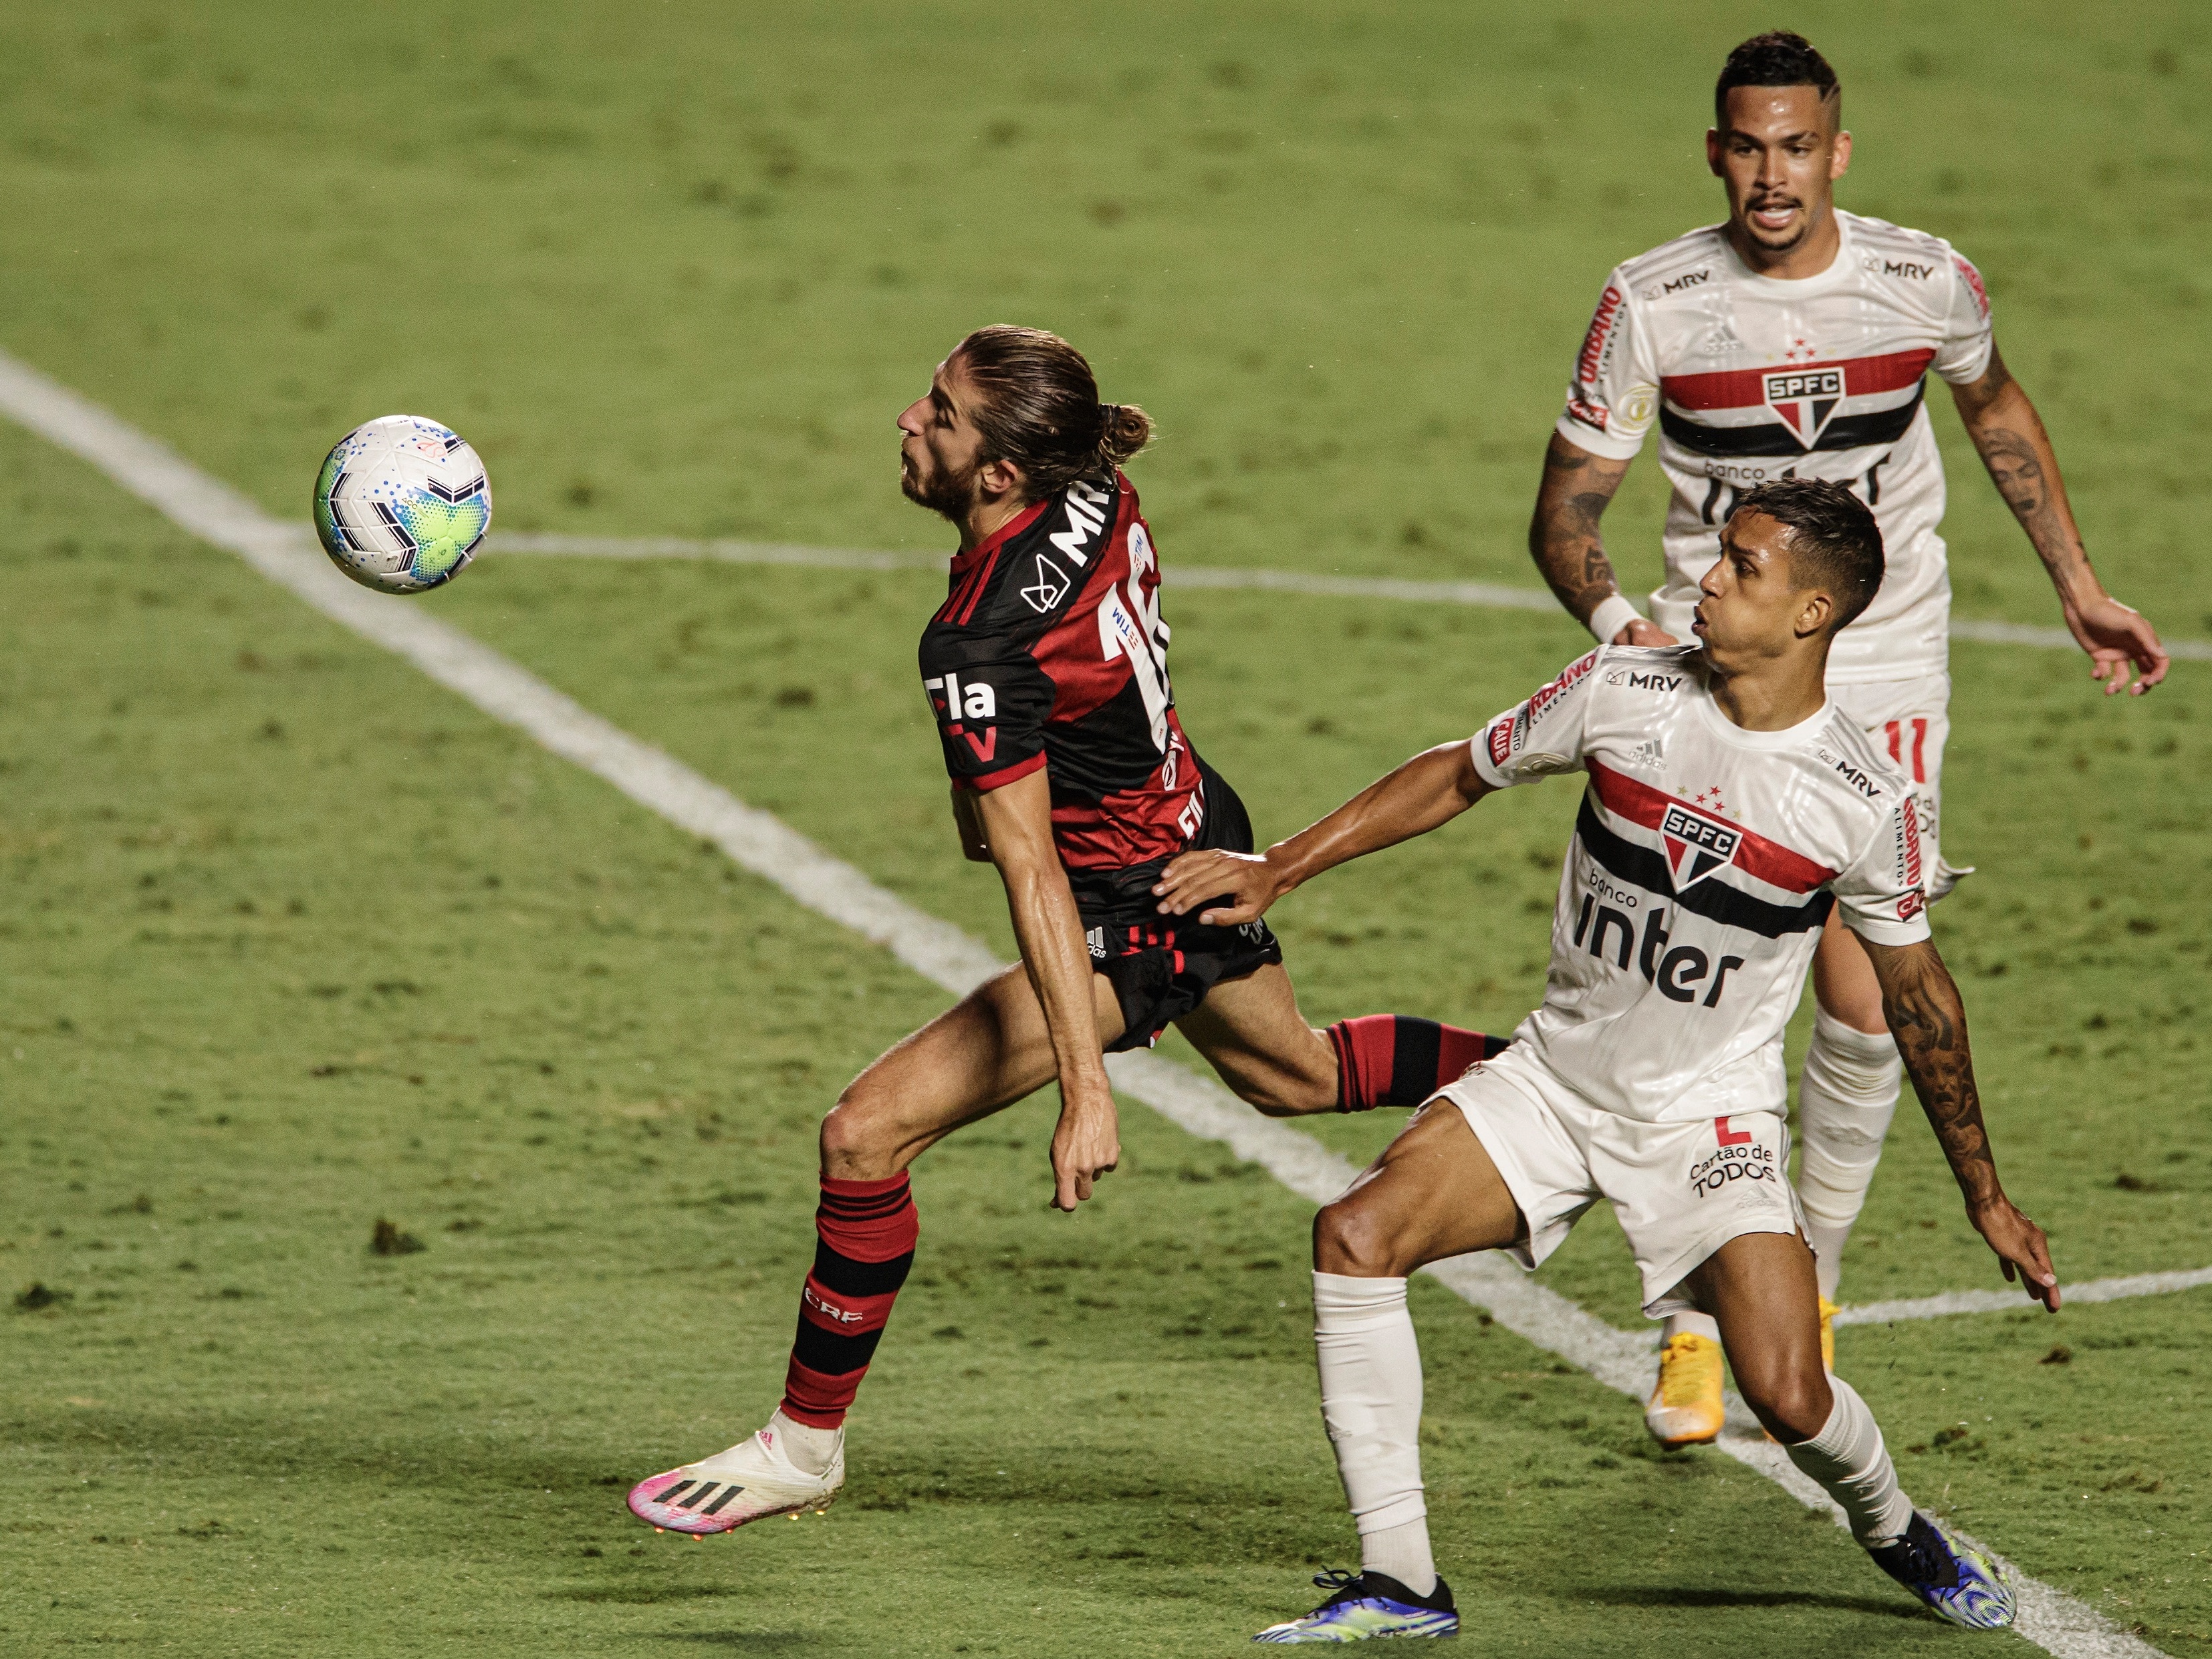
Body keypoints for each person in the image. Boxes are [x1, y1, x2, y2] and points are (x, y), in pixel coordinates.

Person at [624, 326, 1503, 1535]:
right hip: (1201, 829)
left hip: (1133, 904)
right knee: (1292, 1073)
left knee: (865, 1134)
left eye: (936, 411)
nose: (905, 419)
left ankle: (800, 1447)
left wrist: (1085, 1087)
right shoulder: (1097, 480)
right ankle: (1557, 1070)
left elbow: (1028, 867)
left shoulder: (983, 636)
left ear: (997, 474)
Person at [1155, 479, 2059, 1640]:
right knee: (1355, 1235)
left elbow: (1919, 999)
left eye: (1742, 566)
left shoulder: (1861, 800)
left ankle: (1894, 1528)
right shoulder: (1623, 688)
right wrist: (1281, 863)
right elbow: (1454, 770)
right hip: (1553, 1080)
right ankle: (1402, 1580)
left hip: (1709, 1120)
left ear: (1811, 613)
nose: (1707, 576)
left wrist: (1985, 1194)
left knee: (1787, 1393)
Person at [1524, 30, 2163, 1447]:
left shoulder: (1919, 279)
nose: (1770, 174)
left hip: (1882, 654)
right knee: (1722, 985)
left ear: (1836, 151)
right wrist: (1626, 622)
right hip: (1722, 649)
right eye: (1745, 147)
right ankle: (1704, 1313)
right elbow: (1564, 510)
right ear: (1713, 152)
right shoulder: (1655, 303)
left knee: (1869, 988)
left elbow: (1989, 402)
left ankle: (1796, 1288)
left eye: (1795, 146)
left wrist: (2073, 582)